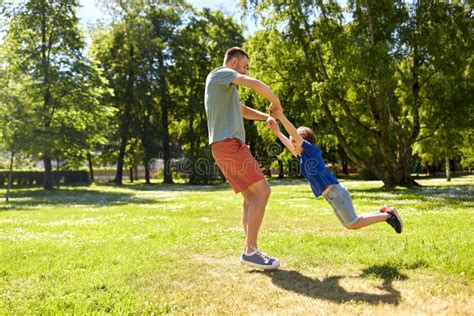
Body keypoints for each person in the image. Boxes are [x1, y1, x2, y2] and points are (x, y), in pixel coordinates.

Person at [204, 47, 281, 269]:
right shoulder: (220, 74)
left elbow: (242, 110)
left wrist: (266, 116)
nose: (246, 72)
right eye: (245, 66)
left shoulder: (223, 88)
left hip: (222, 145)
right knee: (263, 191)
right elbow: (255, 84)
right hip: (229, 145)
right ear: (235, 62)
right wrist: (276, 102)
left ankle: (250, 250)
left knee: (250, 197)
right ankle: (251, 251)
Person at [267, 108, 403, 233]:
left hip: (336, 193)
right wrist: (277, 131)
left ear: (303, 142)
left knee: (353, 223)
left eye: (295, 142)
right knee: (351, 223)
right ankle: (386, 212)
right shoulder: (303, 156)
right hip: (331, 196)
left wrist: (281, 116)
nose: (292, 145)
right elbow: (289, 142)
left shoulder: (311, 151)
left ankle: (388, 216)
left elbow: (294, 134)